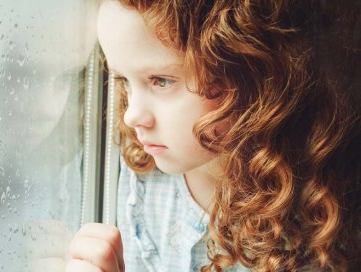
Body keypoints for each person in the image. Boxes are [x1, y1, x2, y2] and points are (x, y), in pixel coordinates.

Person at [67, 0, 361, 271]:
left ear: (249, 73)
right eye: (124, 81)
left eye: (161, 81)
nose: (131, 115)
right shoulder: (141, 170)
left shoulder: (313, 209)